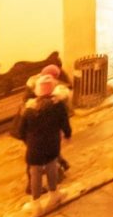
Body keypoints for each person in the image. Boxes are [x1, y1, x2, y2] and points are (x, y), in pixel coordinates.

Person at [14, 73, 72, 204]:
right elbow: (65, 124)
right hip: (52, 144)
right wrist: (67, 135)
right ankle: (54, 195)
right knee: (52, 168)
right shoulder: (58, 106)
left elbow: (21, 130)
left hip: (34, 148)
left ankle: (36, 204)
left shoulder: (29, 110)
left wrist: (29, 141)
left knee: (35, 173)